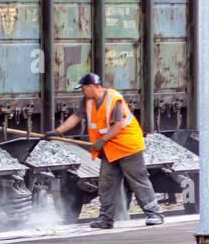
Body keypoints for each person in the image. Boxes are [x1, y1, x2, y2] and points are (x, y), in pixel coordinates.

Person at [50, 72, 165, 229]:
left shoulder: (113, 99)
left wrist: (101, 141)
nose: (82, 91)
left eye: (83, 88)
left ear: (92, 86)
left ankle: (155, 214)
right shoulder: (87, 101)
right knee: (106, 184)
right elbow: (76, 117)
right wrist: (57, 132)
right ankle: (106, 219)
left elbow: (118, 125)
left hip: (127, 146)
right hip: (110, 149)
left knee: (138, 181)